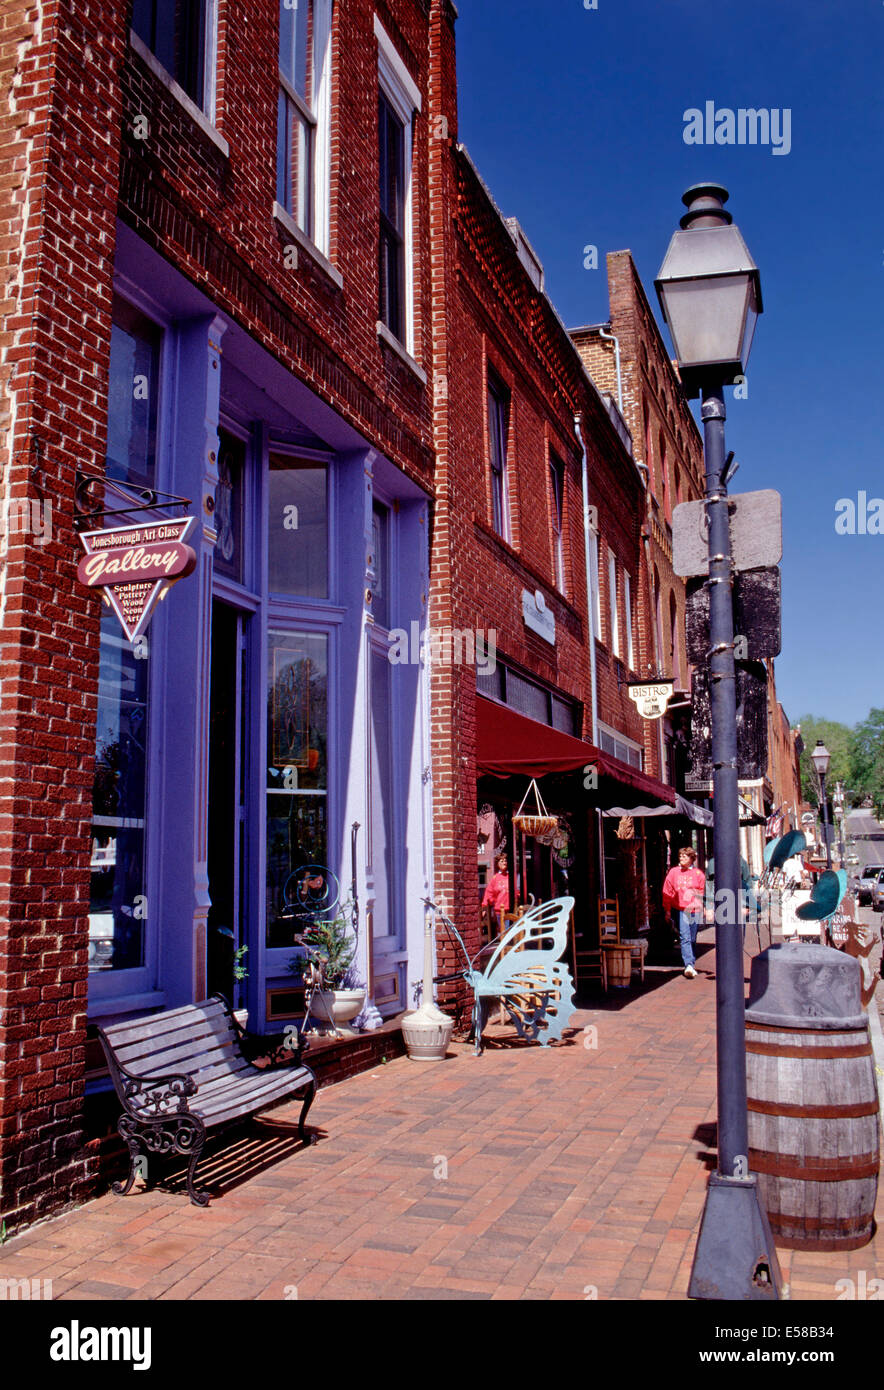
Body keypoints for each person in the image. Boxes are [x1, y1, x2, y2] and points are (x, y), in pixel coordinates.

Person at [662, 846, 706, 978]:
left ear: (691, 858)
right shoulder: (674, 872)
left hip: (694, 909)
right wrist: (667, 909)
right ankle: (688, 965)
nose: (681, 858)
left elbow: (703, 892)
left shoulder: (698, 874)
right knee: (685, 937)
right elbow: (667, 891)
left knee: (692, 938)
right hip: (681, 909)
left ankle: (691, 962)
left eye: (685, 856)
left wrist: (704, 908)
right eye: (680, 856)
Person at [482, 853, 510, 932]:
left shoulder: (511, 876)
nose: (504, 863)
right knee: (504, 931)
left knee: (509, 932)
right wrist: (484, 907)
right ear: (498, 864)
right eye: (501, 861)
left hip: (511, 909)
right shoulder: (495, 878)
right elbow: (488, 893)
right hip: (499, 910)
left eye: (505, 861)